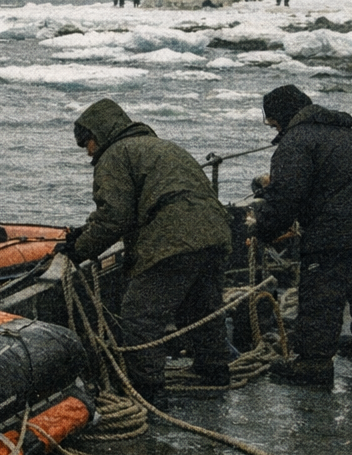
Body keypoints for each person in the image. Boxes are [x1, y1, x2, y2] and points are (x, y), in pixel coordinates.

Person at [63, 99, 234, 405]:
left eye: (85, 143)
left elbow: (115, 215)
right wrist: (87, 230)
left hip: (174, 236)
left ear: (98, 136)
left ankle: (148, 390)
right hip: (214, 231)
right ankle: (215, 370)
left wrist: (79, 249)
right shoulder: (161, 147)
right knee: (201, 307)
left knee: (141, 316)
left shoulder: (114, 155)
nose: (87, 152)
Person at [251, 85, 352, 385]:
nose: (272, 127)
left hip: (339, 226)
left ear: (282, 116)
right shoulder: (347, 134)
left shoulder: (296, 142)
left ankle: (313, 364)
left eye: (271, 121)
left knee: (321, 291)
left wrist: (261, 230)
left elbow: (286, 197)